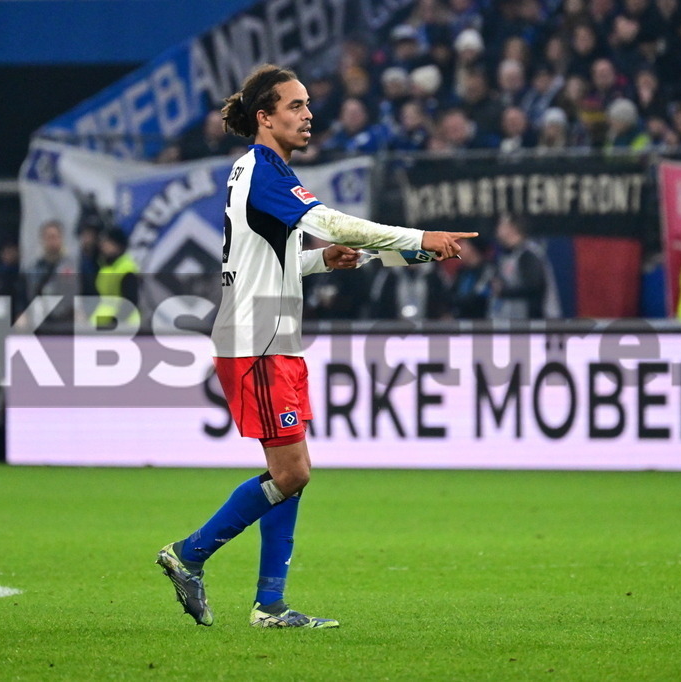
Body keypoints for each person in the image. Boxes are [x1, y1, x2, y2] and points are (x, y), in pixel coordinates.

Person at [154, 63, 475, 629]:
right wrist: (418, 237)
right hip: (255, 341)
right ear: (265, 117)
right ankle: (190, 554)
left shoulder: (258, 171)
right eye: (295, 106)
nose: (308, 115)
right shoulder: (264, 171)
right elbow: (334, 222)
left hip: (271, 337)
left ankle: (270, 604)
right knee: (292, 473)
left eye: (307, 104)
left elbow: (264, 263)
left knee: (290, 473)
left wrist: (320, 260)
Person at [490, 214, 561, 320]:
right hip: (513, 321)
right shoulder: (507, 256)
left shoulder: (529, 254)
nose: (497, 229)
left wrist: (504, 292)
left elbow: (533, 287)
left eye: (501, 225)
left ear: (512, 228)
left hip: (534, 323)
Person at [25, 220, 77, 328]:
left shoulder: (72, 266)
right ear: (42, 240)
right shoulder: (34, 269)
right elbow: (28, 294)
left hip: (66, 321)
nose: (52, 241)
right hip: (40, 321)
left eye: (55, 237)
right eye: (49, 237)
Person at [90, 227, 140, 330]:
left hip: (124, 324)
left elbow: (130, 301)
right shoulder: (105, 267)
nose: (103, 245)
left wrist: (114, 323)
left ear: (117, 245)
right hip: (105, 322)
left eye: (107, 242)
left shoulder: (126, 268)